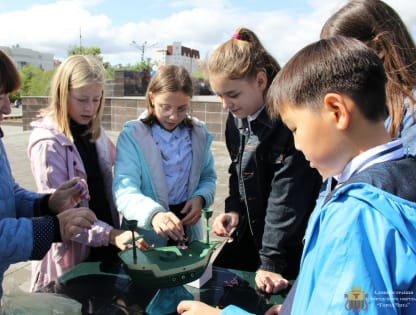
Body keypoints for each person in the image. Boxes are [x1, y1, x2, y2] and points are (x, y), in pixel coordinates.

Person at [178, 35, 416, 315]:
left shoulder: (354, 216)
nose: (297, 144)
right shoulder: (400, 182)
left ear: (336, 111)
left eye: (295, 129)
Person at [207, 27, 322, 292]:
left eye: (232, 95)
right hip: (254, 234)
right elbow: (238, 170)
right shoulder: (235, 119)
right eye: (219, 95)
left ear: (261, 81)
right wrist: (234, 208)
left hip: (288, 246)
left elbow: (288, 198)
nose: (225, 105)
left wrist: (271, 260)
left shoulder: (288, 122)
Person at [27, 55, 149, 292]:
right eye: (82, 99)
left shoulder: (96, 131)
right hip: (73, 254)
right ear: (62, 94)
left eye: (96, 99)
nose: (90, 108)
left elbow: (123, 172)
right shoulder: (48, 144)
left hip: (106, 242)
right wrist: (111, 234)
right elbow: (65, 215)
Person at [0, 50, 97, 302]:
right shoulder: (48, 142)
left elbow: (9, 193)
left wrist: (46, 203)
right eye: (0, 97)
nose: (8, 108)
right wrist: (53, 227)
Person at [113, 65, 216, 247]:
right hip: (147, 233)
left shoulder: (198, 133)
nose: (173, 116)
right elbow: (124, 190)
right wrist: (153, 214)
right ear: (152, 98)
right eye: (165, 107)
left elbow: (208, 177)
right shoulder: (133, 135)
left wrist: (200, 198)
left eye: (182, 109)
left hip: (188, 230)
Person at [320, 0, 416, 161]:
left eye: (341, 59)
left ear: (379, 47)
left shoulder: (414, 113)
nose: (333, 72)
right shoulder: (369, 111)